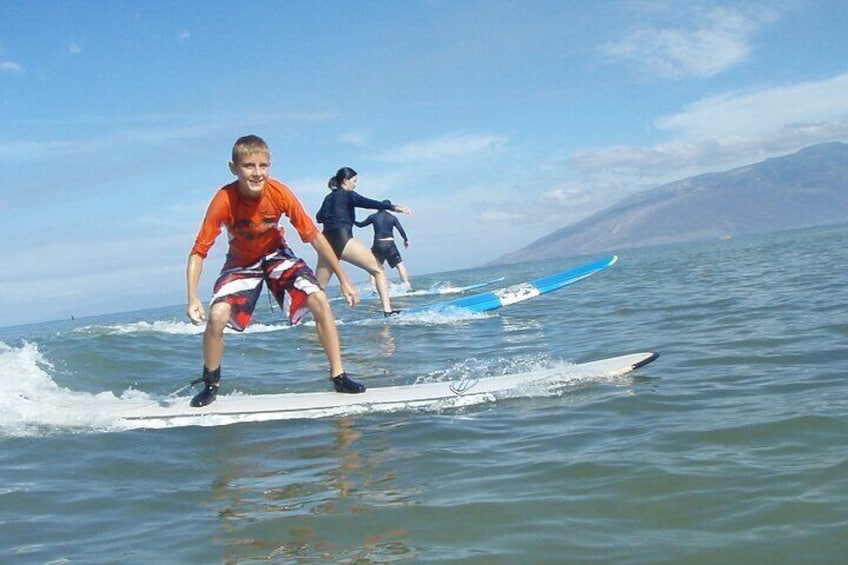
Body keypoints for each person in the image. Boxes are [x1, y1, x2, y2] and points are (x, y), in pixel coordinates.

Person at [185, 135, 365, 408]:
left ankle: (339, 375)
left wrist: (344, 278)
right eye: (249, 166)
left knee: (318, 298)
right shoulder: (224, 199)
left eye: (263, 165)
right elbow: (199, 251)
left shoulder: (279, 193)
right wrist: (192, 297)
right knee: (218, 314)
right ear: (234, 167)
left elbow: (314, 237)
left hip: (276, 255)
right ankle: (211, 383)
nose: (257, 173)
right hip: (241, 263)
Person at [315, 167, 411, 316]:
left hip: (325, 243)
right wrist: (392, 207)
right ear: (345, 181)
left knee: (318, 288)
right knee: (378, 270)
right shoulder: (347, 194)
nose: (355, 185)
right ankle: (388, 311)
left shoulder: (328, 198)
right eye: (354, 181)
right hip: (343, 239)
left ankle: (305, 321)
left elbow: (319, 217)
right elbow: (368, 203)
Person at [355, 209, 413, 292]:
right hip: (390, 243)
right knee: (399, 265)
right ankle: (407, 286)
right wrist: (405, 240)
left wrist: (351, 220)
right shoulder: (392, 217)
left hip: (378, 244)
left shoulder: (373, 216)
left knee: (373, 266)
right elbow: (400, 229)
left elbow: (361, 225)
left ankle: (373, 288)